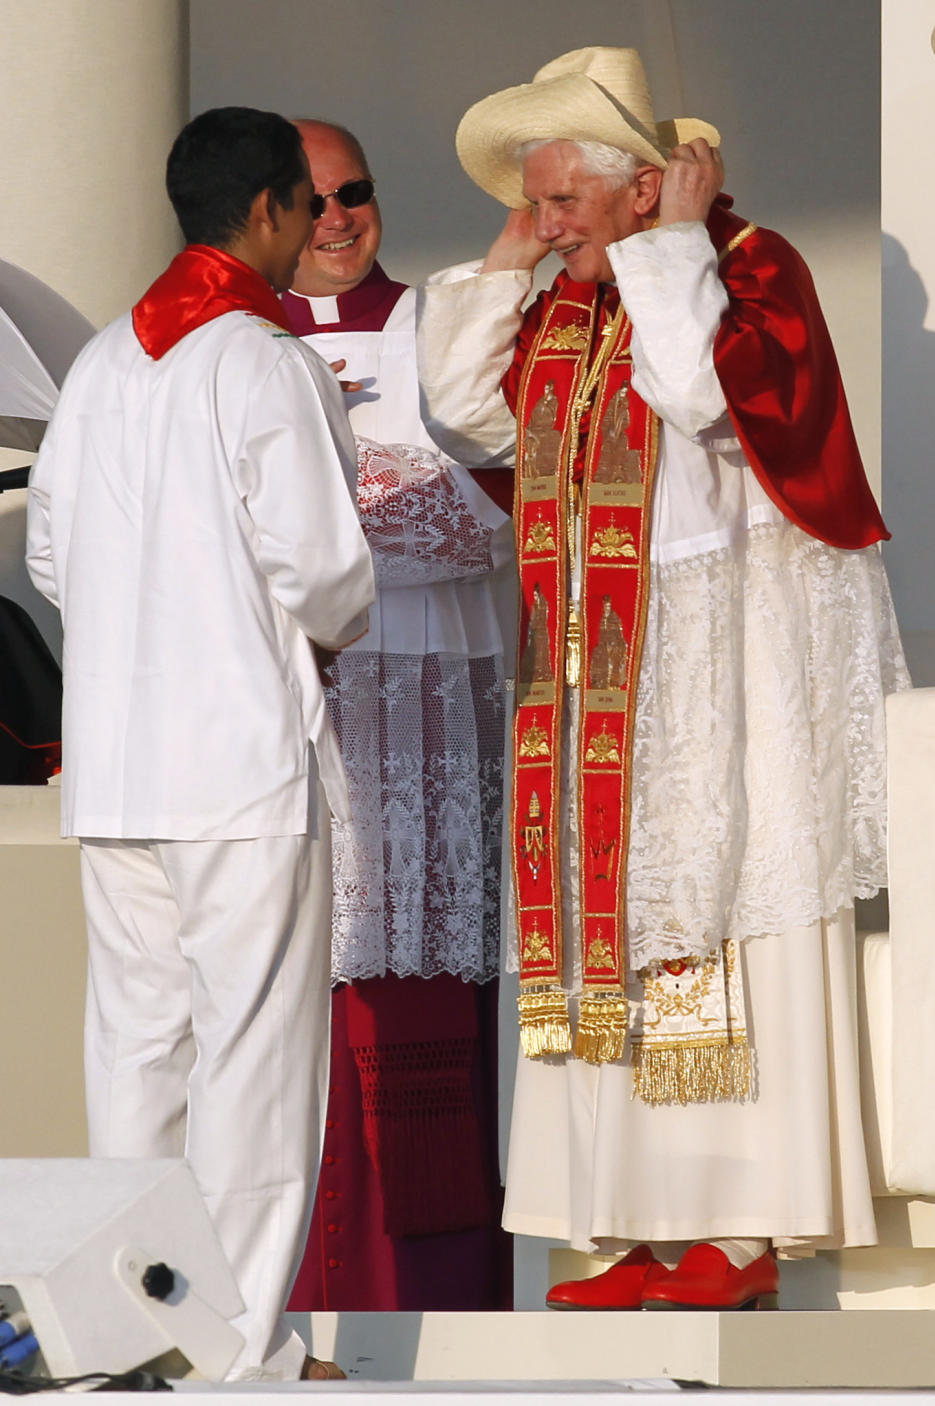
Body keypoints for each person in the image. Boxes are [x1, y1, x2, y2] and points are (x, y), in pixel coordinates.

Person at [416, 46, 910, 1310]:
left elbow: (697, 391)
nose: (544, 221)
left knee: (710, 924)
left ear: (642, 190)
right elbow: (464, 413)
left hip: (719, 675)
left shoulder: (743, 268)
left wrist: (671, 247)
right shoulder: (569, 300)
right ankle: (631, 1218)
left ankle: (734, 1225)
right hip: (589, 674)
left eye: (560, 199)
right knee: (610, 935)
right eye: (534, 201)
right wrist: (508, 268)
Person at [25, 107, 375, 1376]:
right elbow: (328, 573)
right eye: (305, 209)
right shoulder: (259, 359)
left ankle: (125, 1329)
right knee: (256, 1060)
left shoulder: (111, 358)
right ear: (272, 208)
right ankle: (232, 1349)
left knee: (136, 1052)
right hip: (235, 759)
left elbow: (52, 551)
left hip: (116, 760)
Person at [281, 121, 513, 1310]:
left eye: (355, 193)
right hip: (301, 720)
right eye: (312, 199)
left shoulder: (444, 319)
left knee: (420, 1002)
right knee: (293, 1005)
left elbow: (491, 495)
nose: (337, 219)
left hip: (428, 701)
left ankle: (430, 1297)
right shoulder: (237, 344)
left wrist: (327, 518)